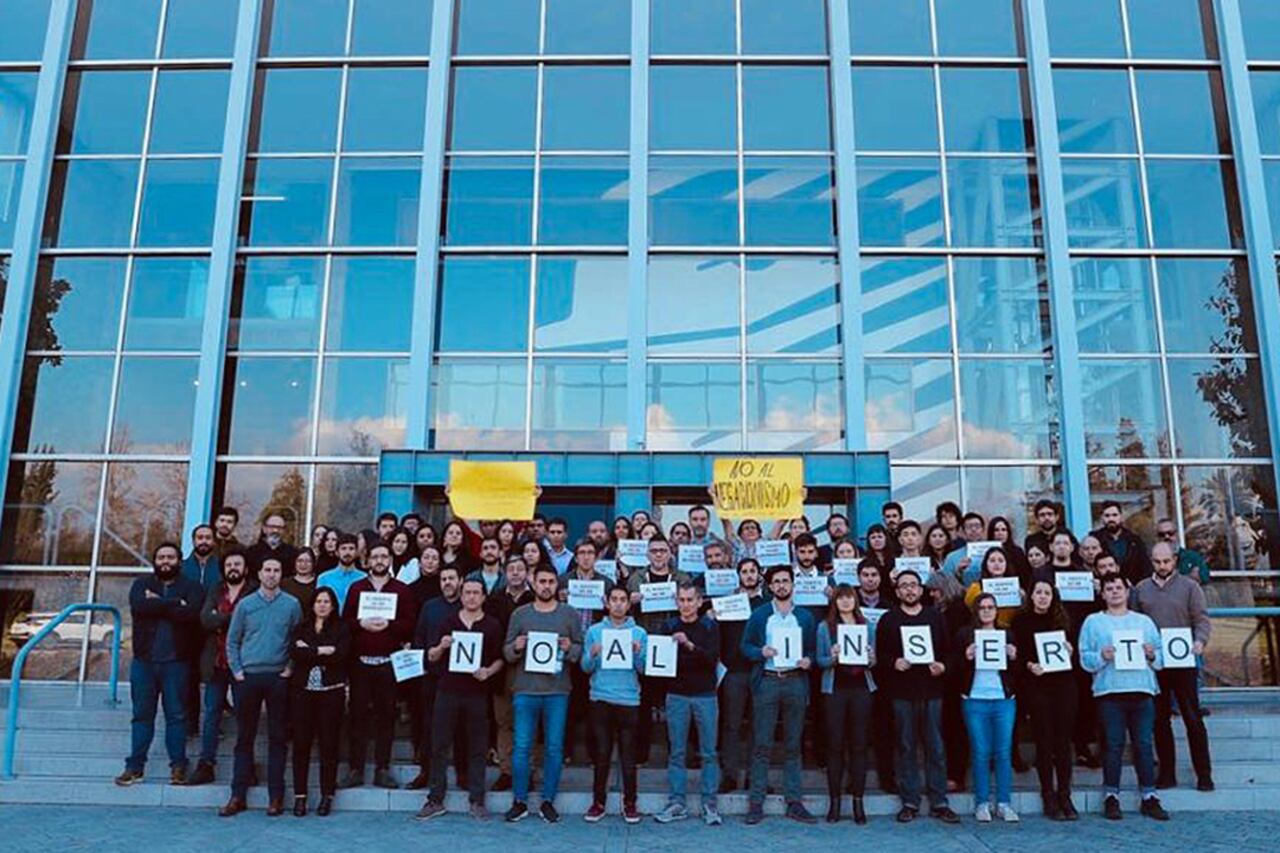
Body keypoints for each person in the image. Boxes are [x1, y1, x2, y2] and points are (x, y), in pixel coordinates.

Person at [1079, 574, 1168, 821]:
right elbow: (1084, 659)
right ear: (1103, 593)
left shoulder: (1144, 622)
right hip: (1110, 691)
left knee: (1143, 744)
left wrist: (1151, 655)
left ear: (1127, 592)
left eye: (1119, 588)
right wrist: (1101, 657)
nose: (1115, 592)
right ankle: (1111, 796)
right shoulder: (1093, 622)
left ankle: (1149, 796)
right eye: (1110, 588)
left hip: (1141, 690)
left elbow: (1161, 658)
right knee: (1113, 745)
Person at [115, 542, 204, 787]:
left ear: (179, 560)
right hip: (144, 662)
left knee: (176, 716)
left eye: (170, 557)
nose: (166, 561)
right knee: (142, 715)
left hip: (177, 663)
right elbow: (140, 606)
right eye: (161, 557)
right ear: (155, 560)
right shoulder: (141, 585)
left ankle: (178, 767)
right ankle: (134, 767)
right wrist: (175, 603)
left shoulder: (192, 587)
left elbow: (191, 614)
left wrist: (160, 603)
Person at [416, 577, 506, 821]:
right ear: (462, 595)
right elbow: (431, 656)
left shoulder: (492, 625)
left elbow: (500, 659)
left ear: (483, 597)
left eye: (476, 593)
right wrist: (441, 646)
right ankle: (435, 799)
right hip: (447, 690)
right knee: (440, 745)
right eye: (467, 593)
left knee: (477, 747)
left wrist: (488, 671)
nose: (471, 597)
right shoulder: (448, 622)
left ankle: (477, 800)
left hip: (477, 694)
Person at [219, 556, 301, 817]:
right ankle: (237, 795)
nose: (272, 574)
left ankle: (276, 797)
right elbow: (232, 641)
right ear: (259, 572)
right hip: (248, 678)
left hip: (278, 677)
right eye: (267, 569)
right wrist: (238, 672)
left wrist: (289, 668)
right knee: (244, 738)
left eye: (277, 570)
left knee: (277, 739)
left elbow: (297, 639)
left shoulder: (292, 605)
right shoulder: (246, 605)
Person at [875, 570, 959, 824]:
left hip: (932, 692)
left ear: (921, 590)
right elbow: (879, 656)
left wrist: (943, 666)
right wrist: (894, 662)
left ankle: (939, 801)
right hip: (901, 693)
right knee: (906, 746)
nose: (909, 590)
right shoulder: (889, 619)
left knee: (936, 747)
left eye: (913, 585)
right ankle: (910, 800)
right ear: (897, 591)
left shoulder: (935, 617)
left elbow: (949, 651)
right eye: (904, 586)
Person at [502, 563, 584, 823]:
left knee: (553, 748)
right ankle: (520, 800)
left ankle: (548, 800)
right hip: (525, 690)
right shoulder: (520, 614)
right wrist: (516, 646)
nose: (546, 586)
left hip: (557, 691)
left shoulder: (569, 614)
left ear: (556, 585)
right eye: (542, 582)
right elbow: (506, 652)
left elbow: (579, 652)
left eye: (551, 582)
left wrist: (570, 647)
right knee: (522, 746)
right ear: (533, 583)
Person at [1133, 541, 1214, 791]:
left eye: (1166, 561)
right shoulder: (1141, 588)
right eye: (1157, 561)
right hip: (1155, 662)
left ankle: (1203, 773)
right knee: (1159, 720)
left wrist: (1199, 641)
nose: (1162, 566)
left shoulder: (1190, 587)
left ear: (1175, 560)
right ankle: (1167, 773)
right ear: (1151, 561)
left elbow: (1201, 619)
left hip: (1183, 660)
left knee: (1192, 717)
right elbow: (1134, 621)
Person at [740, 565, 819, 825]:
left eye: (786, 581)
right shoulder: (761, 614)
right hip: (769, 681)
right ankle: (756, 802)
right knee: (762, 743)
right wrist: (759, 652)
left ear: (792, 585)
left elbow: (812, 649)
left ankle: (794, 802)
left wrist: (809, 659)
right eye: (777, 582)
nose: (782, 586)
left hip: (796, 681)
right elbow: (745, 645)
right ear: (770, 586)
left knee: (793, 745)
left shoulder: (805, 617)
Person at [340, 542, 414, 789]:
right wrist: (361, 624)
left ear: (391, 559)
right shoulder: (357, 588)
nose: (380, 560)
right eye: (376, 556)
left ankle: (383, 768)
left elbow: (409, 624)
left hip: (388, 665)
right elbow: (345, 622)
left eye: (384, 556)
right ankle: (355, 768)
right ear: (368, 560)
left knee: (386, 718)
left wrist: (389, 625)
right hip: (360, 664)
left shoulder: (401, 590)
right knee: (357, 717)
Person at [1012, 579, 1080, 821]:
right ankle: (1048, 794)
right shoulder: (1020, 621)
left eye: (1047, 593)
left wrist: (1071, 651)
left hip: (1063, 685)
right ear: (1031, 596)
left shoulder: (1063, 620)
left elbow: (1076, 655)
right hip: (1036, 686)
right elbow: (1017, 657)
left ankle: (1065, 794)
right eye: (1038, 592)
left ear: (1053, 596)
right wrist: (1029, 665)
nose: (1042, 596)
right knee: (1044, 741)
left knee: (1063, 743)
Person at [655, 583, 722, 826]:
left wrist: (688, 646)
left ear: (699, 601)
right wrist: (691, 656)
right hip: (677, 694)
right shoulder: (669, 626)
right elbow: (663, 661)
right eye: (681, 600)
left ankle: (710, 804)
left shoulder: (710, 626)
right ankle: (677, 803)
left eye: (689, 600)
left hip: (705, 695)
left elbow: (710, 659)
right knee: (677, 752)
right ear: (676, 601)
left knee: (709, 752)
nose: (685, 604)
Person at [581, 584, 647, 823]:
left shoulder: (639, 632)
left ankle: (630, 803)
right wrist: (593, 654)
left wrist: (639, 653)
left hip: (629, 699)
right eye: (614, 599)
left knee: (629, 755)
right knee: (601, 753)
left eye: (623, 600)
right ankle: (598, 802)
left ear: (629, 604)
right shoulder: (594, 631)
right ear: (606, 603)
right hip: (600, 698)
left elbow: (644, 669)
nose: (618, 603)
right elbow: (585, 668)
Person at [188, 549, 252, 786]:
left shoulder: (253, 590)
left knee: (246, 716)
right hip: (216, 663)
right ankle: (206, 764)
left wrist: (221, 617)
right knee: (212, 713)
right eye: (229, 565)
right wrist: (231, 618)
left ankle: (246, 767)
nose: (233, 568)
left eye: (238, 564)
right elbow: (205, 619)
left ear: (245, 569)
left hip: (243, 664)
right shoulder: (216, 590)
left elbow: (251, 622)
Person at [954, 593, 1019, 823]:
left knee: (1003, 751)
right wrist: (966, 656)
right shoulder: (964, 634)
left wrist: (1014, 656)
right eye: (982, 607)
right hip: (975, 698)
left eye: (991, 607)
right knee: (980, 751)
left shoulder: (1007, 633)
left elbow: (1017, 670)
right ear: (976, 610)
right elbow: (955, 667)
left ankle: (1004, 802)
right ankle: (982, 802)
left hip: (1003, 698)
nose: (987, 611)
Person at [626, 535, 690, 763]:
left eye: (663, 550)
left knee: (673, 703)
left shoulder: (682, 578)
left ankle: (676, 753)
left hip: (672, 645)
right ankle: (640, 754)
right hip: (645, 645)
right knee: (643, 703)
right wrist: (630, 601)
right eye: (654, 551)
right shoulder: (636, 578)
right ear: (647, 554)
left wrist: (682, 600)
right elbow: (623, 612)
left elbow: (691, 610)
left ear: (670, 553)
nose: (659, 555)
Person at [289, 587, 350, 817]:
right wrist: (323, 650)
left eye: (327, 601)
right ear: (312, 605)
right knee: (301, 746)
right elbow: (296, 654)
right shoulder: (301, 628)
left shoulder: (341, 629)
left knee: (329, 746)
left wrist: (311, 651)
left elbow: (341, 654)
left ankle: (327, 796)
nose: (322, 605)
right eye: (318, 601)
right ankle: (300, 797)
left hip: (330, 694)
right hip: (303, 693)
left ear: (333, 606)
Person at [815, 584, 873, 825]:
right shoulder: (824, 627)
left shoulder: (867, 625)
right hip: (835, 689)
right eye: (841, 598)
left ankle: (859, 802)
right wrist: (833, 657)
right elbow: (820, 660)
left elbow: (874, 660)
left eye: (850, 597)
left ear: (856, 600)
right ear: (835, 601)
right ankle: (835, 801)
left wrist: (871, 657)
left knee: (859, 746)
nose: (846, 602)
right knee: (835, 746)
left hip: (861, 689)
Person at [407, 563, 463, 791]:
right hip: (433, 676)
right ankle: (426, 772)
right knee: (429, 727)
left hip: (462, 677)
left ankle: (463, 774)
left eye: (451, 578)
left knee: (461, 729)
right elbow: (419, 637)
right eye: (443, 579)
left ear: (460, 581)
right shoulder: (430, 607)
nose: (447, 583)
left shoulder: (467, 605)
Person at [558, 538, 611, 764]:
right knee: (567, 702)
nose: (586, 556)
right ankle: (566, 750)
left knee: (593, 706)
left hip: (594, 650)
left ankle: (592, 753)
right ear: (576, 556)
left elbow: (615, 614)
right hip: (568, 648)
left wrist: (607, 604)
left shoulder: (607, 584)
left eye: (591, 552)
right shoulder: (563, 581)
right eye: (582, 552)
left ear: (597, 557)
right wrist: (558, 598)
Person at [717, 557, 765, 793]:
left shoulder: (768, 604)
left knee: (759, 727)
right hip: (734, 671)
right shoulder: (728, 603)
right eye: (744, 571)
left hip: (761, 671)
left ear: (759, 574)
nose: (748, 575)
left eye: (752, 571)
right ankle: (729, 776)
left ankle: (756, 778)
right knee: (732, 726)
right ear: (738, 575)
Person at [487, 554, 534, 792]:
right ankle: (506, 771)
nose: (515, 573)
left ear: (527, 573)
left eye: (520, 569)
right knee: (504, 721)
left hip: (532, 670)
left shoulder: (536, 598)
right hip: (501, 669)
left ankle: (529, 771)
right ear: (505, 574)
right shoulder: (494, 601)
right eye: (511, 569)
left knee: (530, 722)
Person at [180, 523, 220, 732]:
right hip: (188, 629)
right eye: (200, 537)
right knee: (190, 676)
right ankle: (191, 721)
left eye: (207, 537)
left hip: (214, 630)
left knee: (213, 675)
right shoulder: (183, 568)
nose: (204, 541)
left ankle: (214, 723)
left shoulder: (220, 567)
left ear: (213, 541)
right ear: (193, 541)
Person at [1091, 500, 1153, 587]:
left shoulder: (1135, 540)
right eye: (1107, 516)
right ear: (1102, 518)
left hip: (1132, 589)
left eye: (1114, 515)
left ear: (1121, 516)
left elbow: (1146, 567)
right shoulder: (1094, 539)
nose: (1111, 519)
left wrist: (1138, 586)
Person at [964, 547, 1023, 627]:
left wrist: (1023, 599)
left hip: (1010, 630)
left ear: (1007, 564)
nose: (997, 564)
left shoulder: (1016, 588)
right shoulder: (975, 588)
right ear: (986, 564)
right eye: (992, 561)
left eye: (1001, 561)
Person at [317, 533, 365, 611]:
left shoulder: (365, 578)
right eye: (343, 548)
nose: (347, 552)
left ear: (357, 552)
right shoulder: (324, 578)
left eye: (351, 548)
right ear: (337, 552)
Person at [1155, 518, 1211, 584]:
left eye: (1170, 533)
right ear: (1157, 538)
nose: (1167, 537)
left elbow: (1205, 578)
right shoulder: (1151, 562)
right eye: (1162, 535)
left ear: (1177, 534)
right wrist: (1188, 577)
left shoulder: (1192, 557)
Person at [282, 547, 319, 614]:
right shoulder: (284, 583)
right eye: (300, 561)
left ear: (313, 563)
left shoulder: (319, 582)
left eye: (308, 561)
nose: (303, 564)